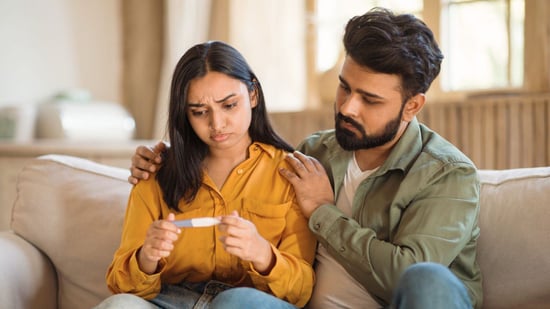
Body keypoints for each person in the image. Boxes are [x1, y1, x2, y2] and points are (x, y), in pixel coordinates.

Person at [129, 8, 482, 309]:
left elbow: (403, 276)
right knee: (236, 302)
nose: (346, 107)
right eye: (345, 87)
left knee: (427, 279)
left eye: (369, 100)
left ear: (413, 105)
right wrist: (160, 159)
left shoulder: (448, 175)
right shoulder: (314, 153)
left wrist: (323, 213)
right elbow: (243, 160)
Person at [96, 41, 316, 309]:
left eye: (229, 105)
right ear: (184, 113)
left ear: (253, 95)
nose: (216, 124)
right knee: (119, 306)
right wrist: (147, 257)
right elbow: (121, 287)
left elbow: (301, 291)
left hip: (247, 303)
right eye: (200, 112)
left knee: (235, 301)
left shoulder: (289, 174)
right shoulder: (155, 173)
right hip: (172, 300)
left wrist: (262, 254)